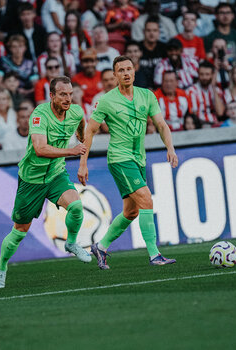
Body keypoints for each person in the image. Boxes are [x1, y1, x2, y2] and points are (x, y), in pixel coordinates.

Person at [78, 56, 178, 269]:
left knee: (131, 212)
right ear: (115, 75)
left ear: (134, 71)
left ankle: (101, 247)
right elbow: (90, 130)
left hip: (138, 159)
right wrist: (83, 163)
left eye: (129, 69)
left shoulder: (147, 95)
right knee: (146, 198)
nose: (125, 73)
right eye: (121, 70)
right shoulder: (106, 100)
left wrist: (170, 148)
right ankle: (154, 254)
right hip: (119, 159)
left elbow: (161, 124)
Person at [0, 76, 90, 288]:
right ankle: (1, 267)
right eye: (63, 94)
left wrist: (81, 148)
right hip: (32, 180)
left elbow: (83, 127)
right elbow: (40, 149)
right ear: (52, 96)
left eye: (70, 94)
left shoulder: (76, 112)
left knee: (76, 207)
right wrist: (72, 150)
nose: (68, 98)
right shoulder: (39, 115)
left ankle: (71, 243)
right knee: (18, 232)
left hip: (56, 175)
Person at [186, 60, 225, 125]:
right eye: (202, 74)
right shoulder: (191, 91)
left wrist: (214, 88)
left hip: (216, 124)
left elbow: (220, 113)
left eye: (207, 74)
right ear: (198, 74)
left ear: (212, 75)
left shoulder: (217, 90)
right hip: (200, 125)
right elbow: (193, 115)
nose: (204, 77)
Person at [139, 18, 167, 88]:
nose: (151, 33)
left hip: (161, 87)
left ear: (159, 32)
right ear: (143, 32)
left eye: (155, 30)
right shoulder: (137, 48)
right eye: (148, 30)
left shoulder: (164, 48)